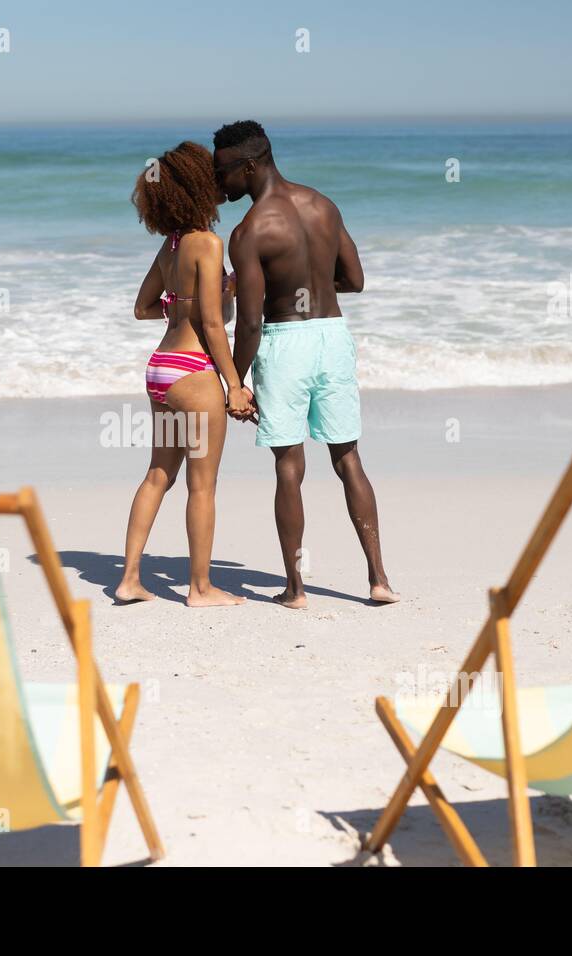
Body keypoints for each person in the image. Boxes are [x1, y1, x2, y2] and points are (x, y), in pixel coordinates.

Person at [213, 120, 400, 609]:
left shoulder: (249, 231)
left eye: (222, 172)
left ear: (248, 166)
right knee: (348, 457)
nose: (218, 183)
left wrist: (234, 381)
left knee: (289, 466)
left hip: (284, 344)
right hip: (332, 337)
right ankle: (379, 579)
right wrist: (309, 288)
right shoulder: (323, 205)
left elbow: (249, 323)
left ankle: (295, 589)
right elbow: (354, 280)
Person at [116, 141, 252, 607]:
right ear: (199, 187)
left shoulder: (170, 247)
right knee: (202, 485)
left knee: (158, 474)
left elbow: (143, 308)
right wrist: (235, 385)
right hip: (194, 373)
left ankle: (129, 579)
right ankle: (200, 587)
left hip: (161, 369)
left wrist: (184, 304)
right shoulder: (208, 244)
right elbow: (213, 325)